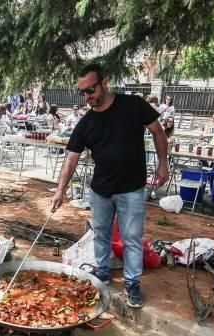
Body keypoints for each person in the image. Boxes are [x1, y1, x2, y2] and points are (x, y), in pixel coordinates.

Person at [50, 63, 169, 309]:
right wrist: (60, 190)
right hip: (100, 190)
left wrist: (163, 164)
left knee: (132, 238)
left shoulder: (133, 105)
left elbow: (158, 132)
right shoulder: (86, 123)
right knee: (100, 234)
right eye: (82, 92)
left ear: (104, 82)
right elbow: (71, 157)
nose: (87, 96)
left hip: (131, 188)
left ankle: (132, 282)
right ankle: (102, 272)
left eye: (90, 89)